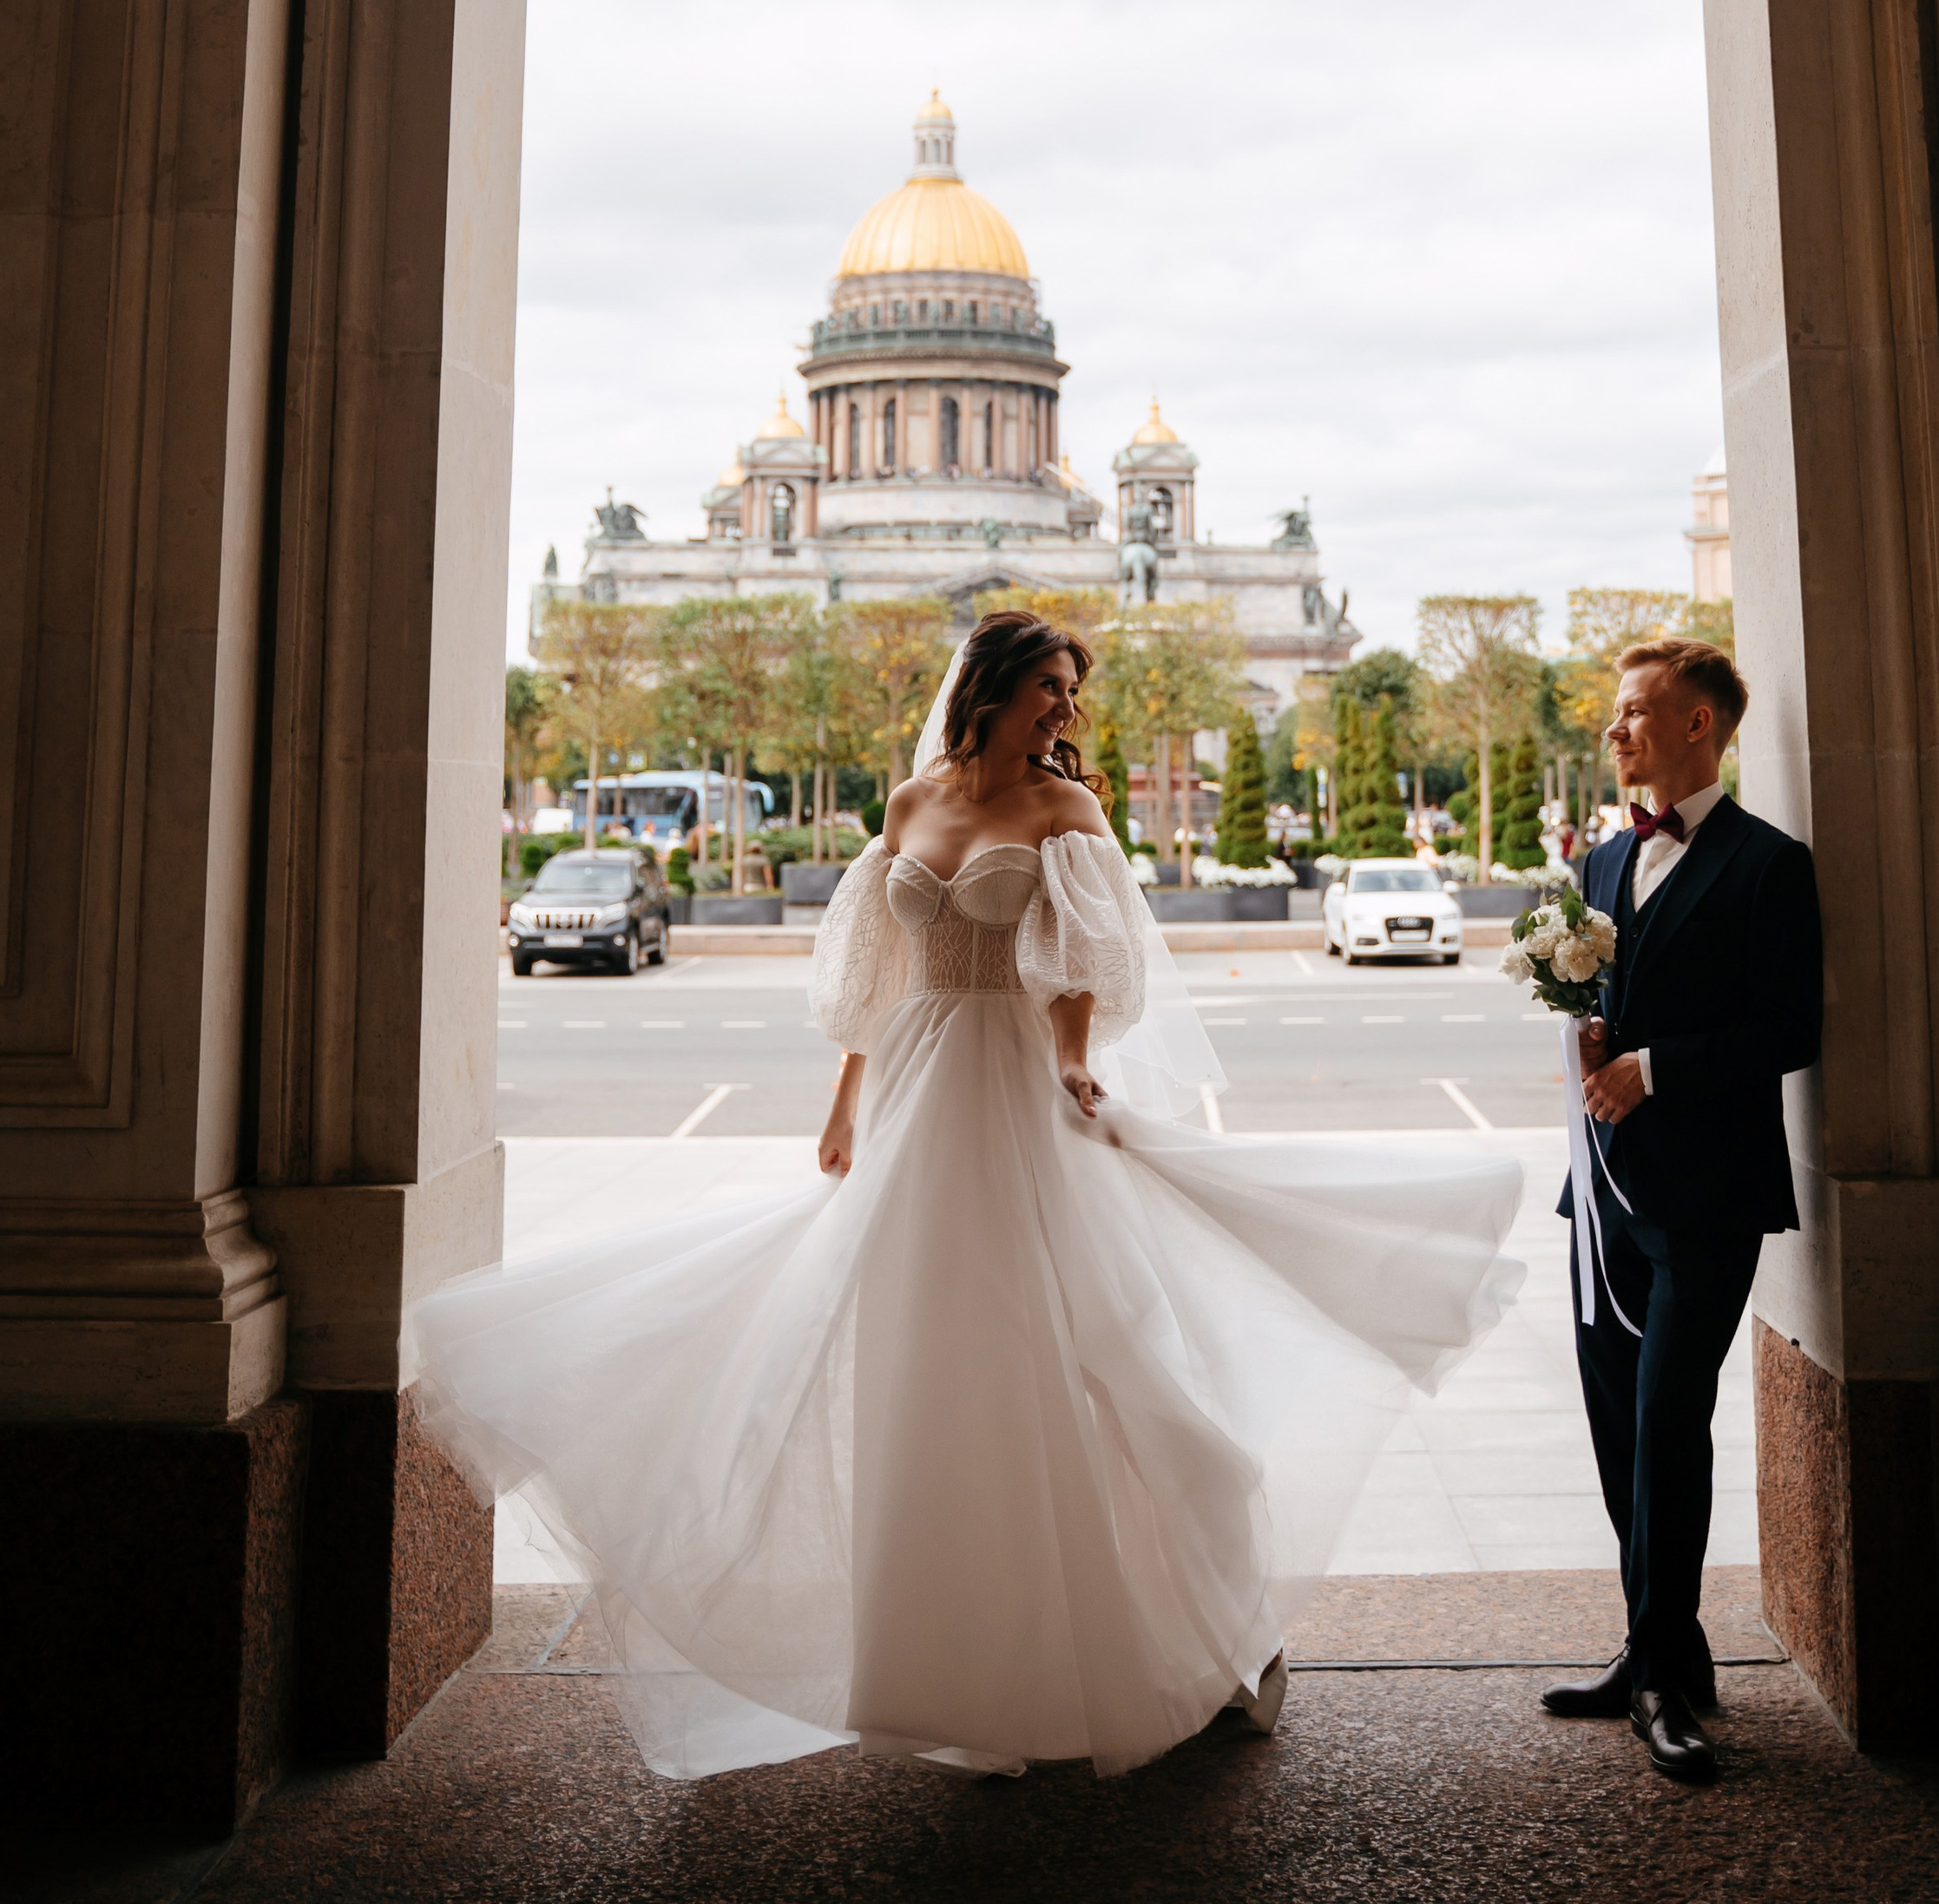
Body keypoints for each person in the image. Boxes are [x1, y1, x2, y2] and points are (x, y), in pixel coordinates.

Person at [410, 611, 1522, 1783]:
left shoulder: (1066, 810)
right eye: (1046, 685)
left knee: (1095, 1351)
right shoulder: (909, 804)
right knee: (926, 1360)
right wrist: (844, 1100)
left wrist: (1076, 1057)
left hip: (1017, 1087)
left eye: (1067, 691)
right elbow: (876, 976)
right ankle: (957, 1660)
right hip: (913, 1087)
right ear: (987, 685)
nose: (1062, 709)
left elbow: (1088, 962)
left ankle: (1194, 1632)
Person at [1542, 639, 1821, 1786]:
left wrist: (1655, 1065)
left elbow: (1793, 1031)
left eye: (1638, 711)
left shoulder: (1769, 864)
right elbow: (1599, 1001)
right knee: (1618, 1426)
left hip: (1709, 1194)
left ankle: (1666, 1677)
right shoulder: (1605, 862)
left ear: (1701, 725)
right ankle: (1657, 1645)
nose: (1617, 730)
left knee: (1669, 1420)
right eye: (1615, 712)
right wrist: (1593, 1036)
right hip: (1604, 1194)